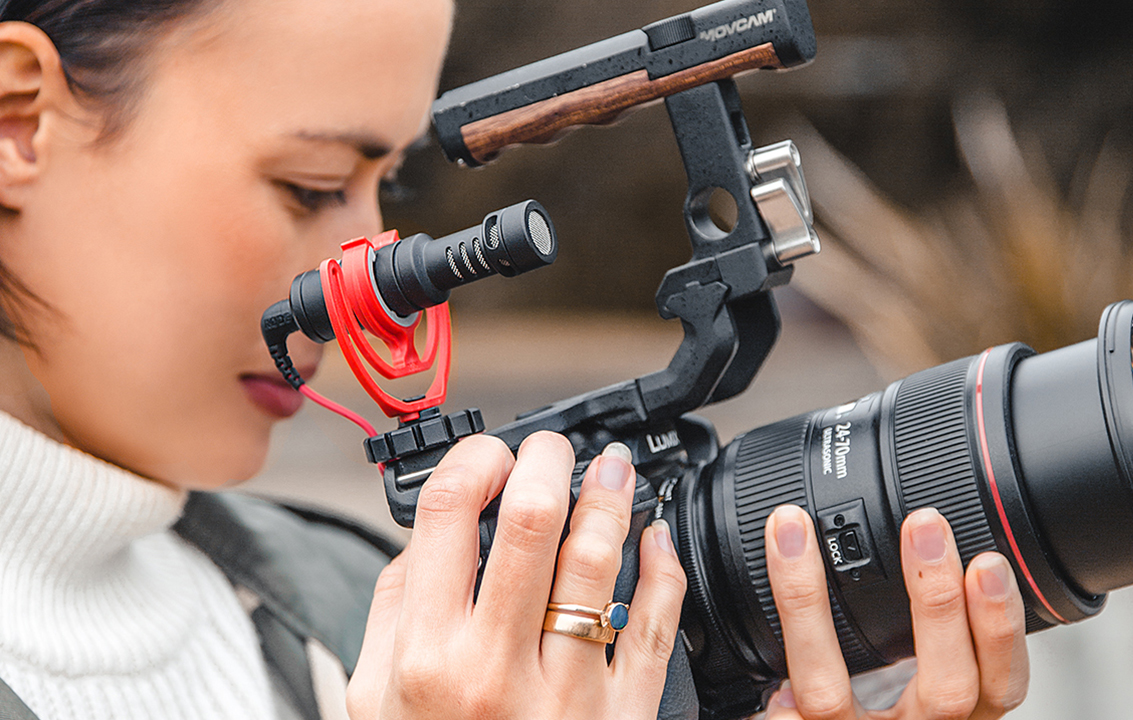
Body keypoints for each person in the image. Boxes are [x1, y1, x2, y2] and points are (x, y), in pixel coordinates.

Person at [0, 0, 1031, 718]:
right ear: (17, 120)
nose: (374, 276)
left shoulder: (365, 608)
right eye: (310, 184)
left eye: (391, 191)